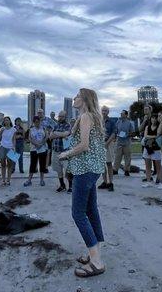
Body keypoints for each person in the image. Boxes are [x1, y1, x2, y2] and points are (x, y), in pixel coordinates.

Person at [58, 89, 106, 278]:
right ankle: (95, 252)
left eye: (77, 96)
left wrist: (65, 154)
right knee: (91, 210)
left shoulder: (86, 116)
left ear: (85, 99)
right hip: (93, 168)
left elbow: (84, 145)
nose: (74, 98)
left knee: (78, 213)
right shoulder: (90, 116)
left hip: (85, 170)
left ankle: (96, 262)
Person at [50, 110, 72, 192]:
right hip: (55, 151)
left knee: (67, 169)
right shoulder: (56, 125)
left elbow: (66, 134)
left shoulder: (68, 125)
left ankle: (71, 186)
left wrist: (56, 133)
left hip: (65, 151)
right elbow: (50, 136)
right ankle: (62, 185)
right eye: (59, 116)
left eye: (62, 116)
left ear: (65, 117)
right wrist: (60, 134)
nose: (60, 118)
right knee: (58, 170)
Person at [24, 116, 48, 187]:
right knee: (33, 165)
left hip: (42, 149)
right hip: (34, 149)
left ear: (40, 122)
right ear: (33, 122)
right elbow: (29, 138)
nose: (37, 123)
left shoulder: (43, 128)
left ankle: (42, 180)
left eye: (38, 122)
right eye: (35, 122)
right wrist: (36, 144)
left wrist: (42, 143)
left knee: (42, 164)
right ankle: (29, 180)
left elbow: (46, 136)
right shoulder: (31, 129)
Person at [142, 115, 162, 189]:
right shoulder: (147, 127)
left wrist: (152, 136)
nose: (153, 120)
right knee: (148, 166)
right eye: (152, 118)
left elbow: (158, 134)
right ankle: (148, 181)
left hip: (156, 148)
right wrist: (154, 136)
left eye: (155, 118)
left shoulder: (159, 127)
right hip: (148, 147)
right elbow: (145, 136)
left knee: (158, 166)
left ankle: (160, 182)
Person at [98, 106, 115, 192]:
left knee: (109, 164)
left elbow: (113, 134)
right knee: (102, 164)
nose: (104, 112)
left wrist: (107, 143)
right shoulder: (99, 121)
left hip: (108, 144)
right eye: (103, 110)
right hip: (100, 144)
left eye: (105, 111)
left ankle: (110, 183)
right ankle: (104, 181)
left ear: (108, 112)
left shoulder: (111, 122)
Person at [113, 110, 135, 176]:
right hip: (119, 142)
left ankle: (127, 170)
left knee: (127, 157)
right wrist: (116, 134)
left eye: (122, 114)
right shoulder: (118, 122)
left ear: (126, 115)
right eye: (121, 114)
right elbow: (115, 130)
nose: (121, 115)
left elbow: (133, 133)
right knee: (117, 156)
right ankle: (115, 169)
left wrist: (128, 135)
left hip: (127, 142)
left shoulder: (130, 123)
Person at [0, 116, 17, 186]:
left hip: (10, 147)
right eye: (5, 120)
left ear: (10, 121)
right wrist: (1, 132)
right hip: (2, 146)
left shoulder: (13, 129)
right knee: (3, 163)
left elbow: (14, 139)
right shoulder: (2, 129)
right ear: (4, 122)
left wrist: (14, 147)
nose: (6, 121)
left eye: (7, 120)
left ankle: (8, 180)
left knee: (10, 164)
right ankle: (3, 180)